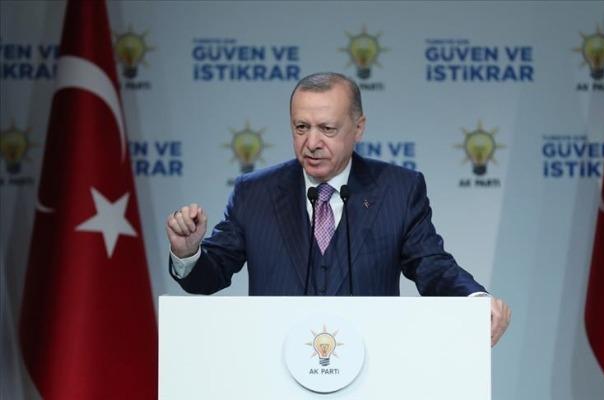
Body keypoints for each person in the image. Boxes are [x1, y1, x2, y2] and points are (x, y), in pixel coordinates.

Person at [166, 72, 511, 346]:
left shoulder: (398, 190)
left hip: (370, 372)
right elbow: (209, 277)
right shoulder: (254, 193)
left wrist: (474, 300)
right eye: (301, 127)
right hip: (275, 373)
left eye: (327, 129)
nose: (312, 143)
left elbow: (431, 266)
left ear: (358, 128)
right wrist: (188, 253)